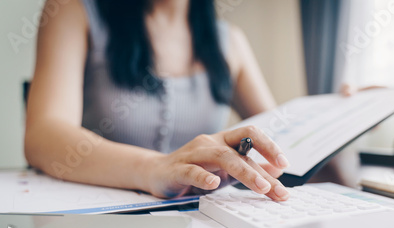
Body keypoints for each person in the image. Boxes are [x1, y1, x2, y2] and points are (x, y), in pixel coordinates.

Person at [25, 0, 293, 201]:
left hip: (200, 224)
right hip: (98, 221)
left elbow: (283, 143)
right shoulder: (73, 10)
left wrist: (334, 113)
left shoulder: (230, 41)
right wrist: (154, 168)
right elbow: (43, 134)